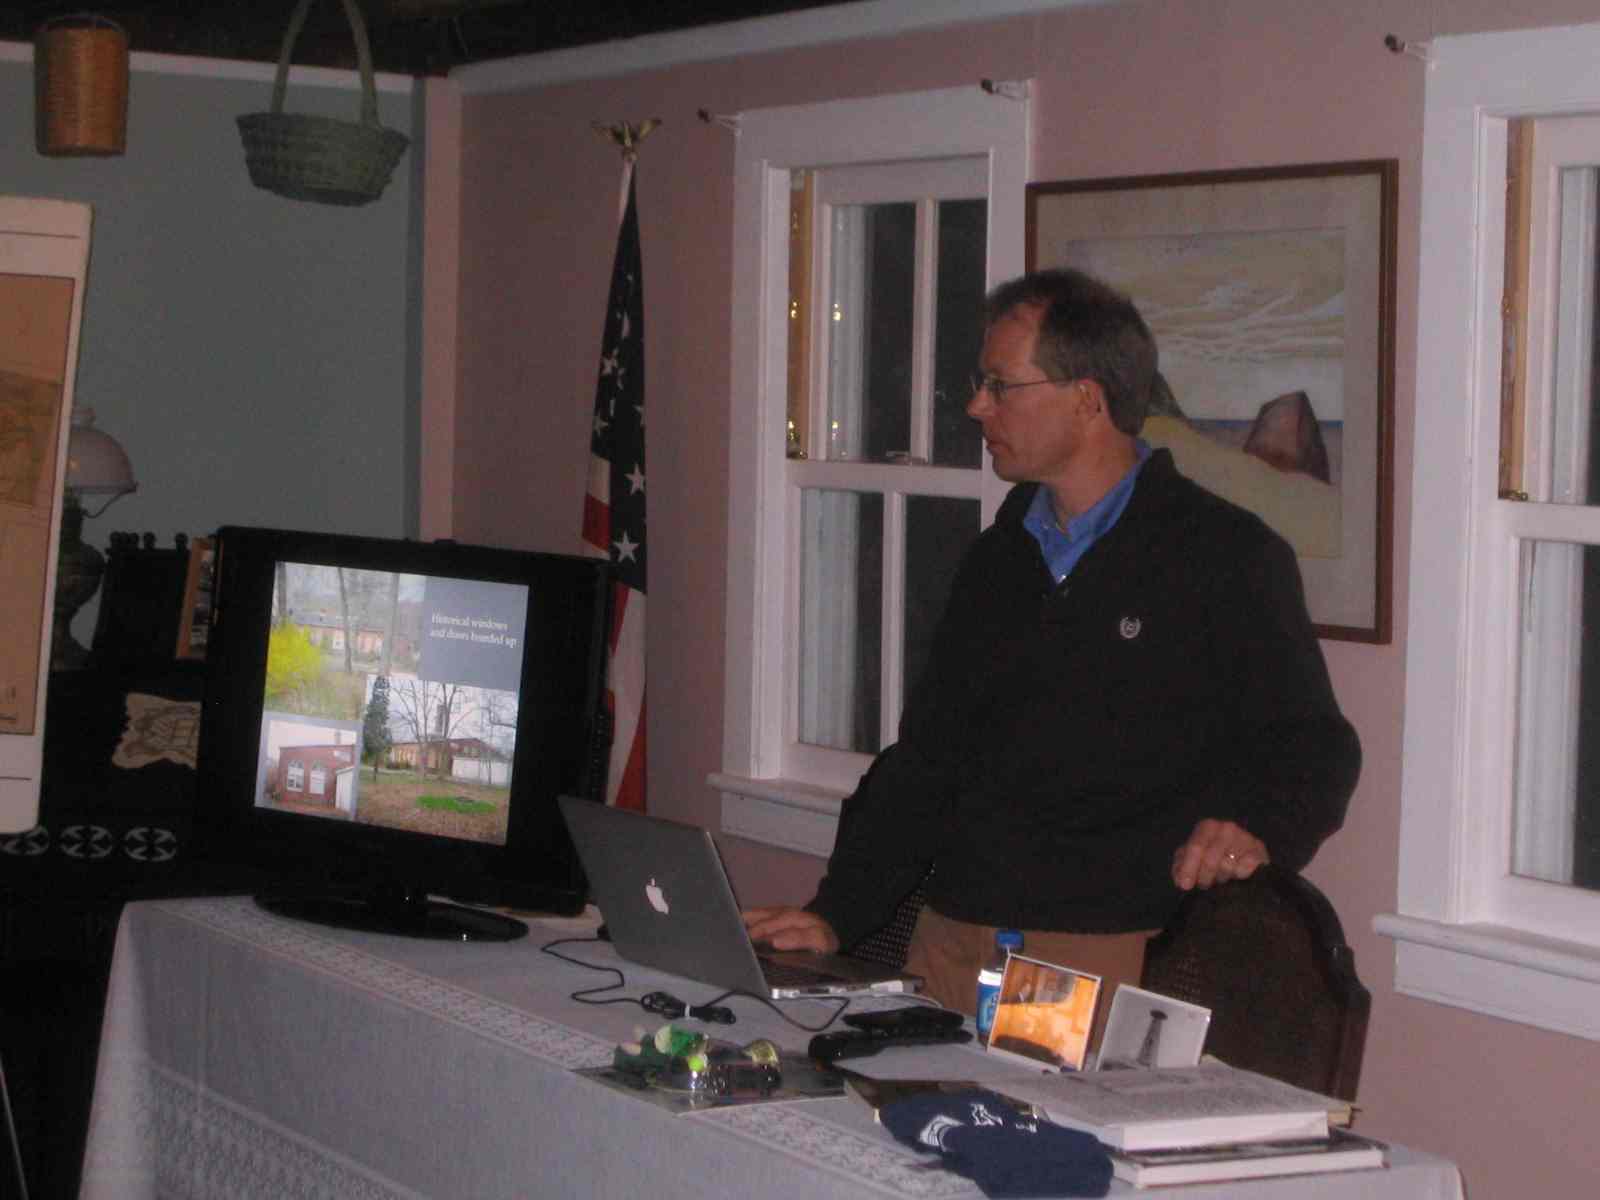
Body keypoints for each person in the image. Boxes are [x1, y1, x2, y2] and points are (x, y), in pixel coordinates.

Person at [744, 268, 1361, 1029]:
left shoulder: (1224, 557)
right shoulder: (998, 557)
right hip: (950, 941)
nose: (977, 405)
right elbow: (925, 763)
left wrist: (1255, 827)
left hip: (1095, 956)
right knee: (897, 1134)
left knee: (1038, 1146)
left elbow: (1314, 749)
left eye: (1001, 385)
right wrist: (835, 914)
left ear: (1087, 396)